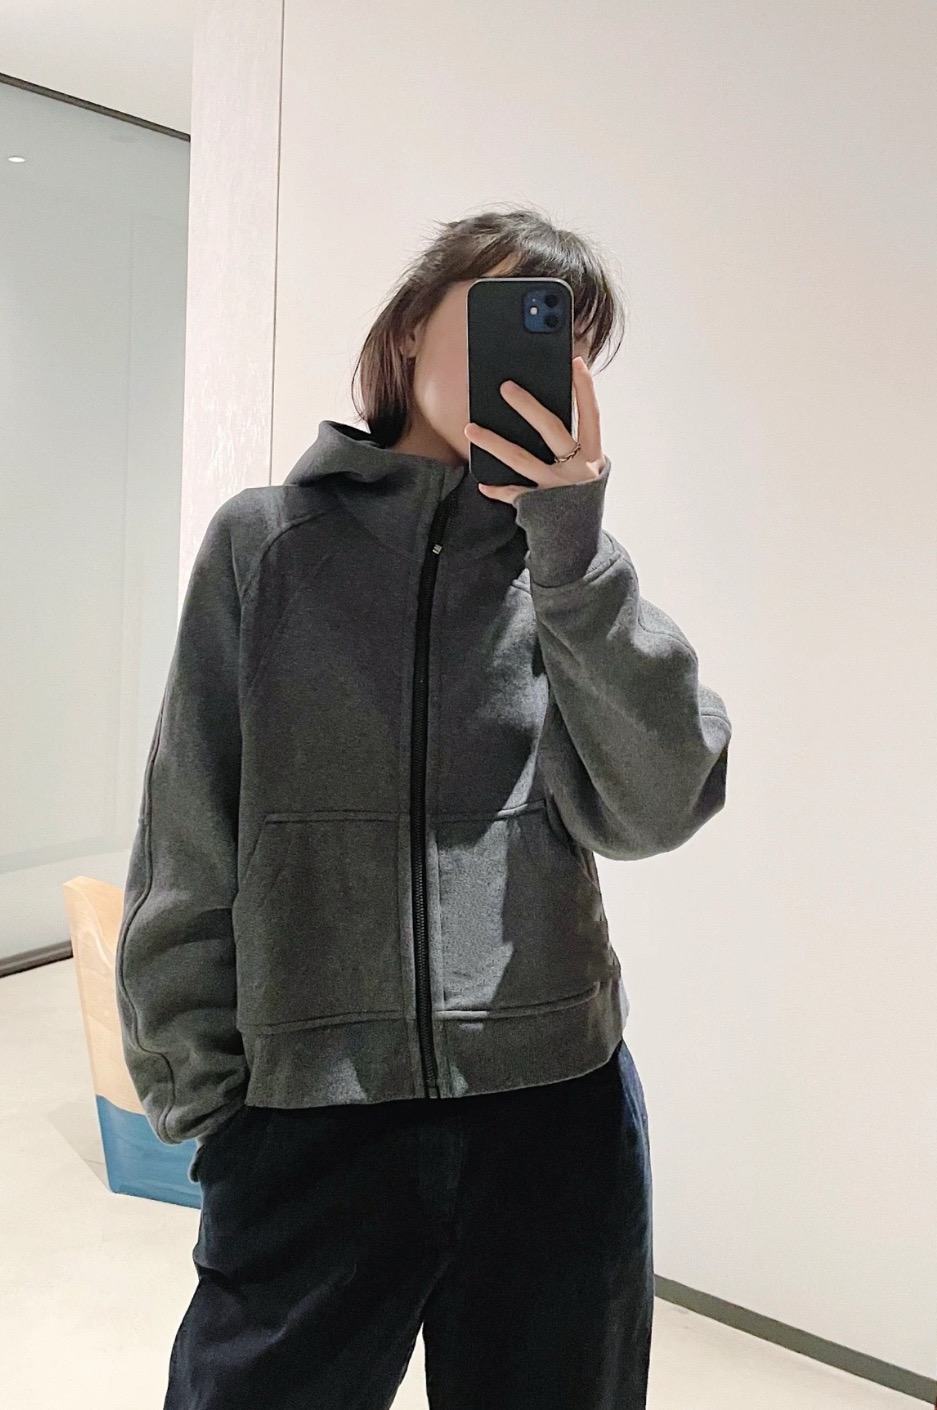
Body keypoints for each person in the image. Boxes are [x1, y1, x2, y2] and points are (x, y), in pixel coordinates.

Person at [115, 204, 732, 1410]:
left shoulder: (565, 579)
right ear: (408, 330)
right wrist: (211, 1106)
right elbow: (188, 832)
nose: (539, 360)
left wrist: (574, 551)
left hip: (554, 1122)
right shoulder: (266, 547)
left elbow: (660, 804)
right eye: (510, 315)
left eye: (568, 344)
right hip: (310, 1123)